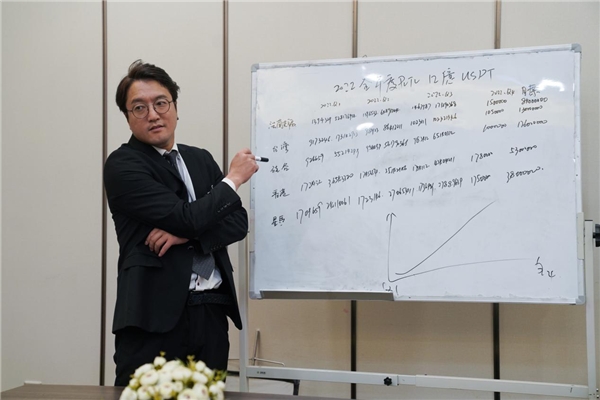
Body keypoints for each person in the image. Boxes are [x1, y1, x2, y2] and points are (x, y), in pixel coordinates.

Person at [104, 60, 258, 386]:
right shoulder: (123, 165)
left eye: (161, 103)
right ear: (128, 117)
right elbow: (185, 218)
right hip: (153, 319)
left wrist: (185, 236)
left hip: (211, 310)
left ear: (174, 107)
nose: (153, 114)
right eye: (139, 108)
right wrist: (232, 179)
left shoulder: (200, 159)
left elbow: (237, 221)